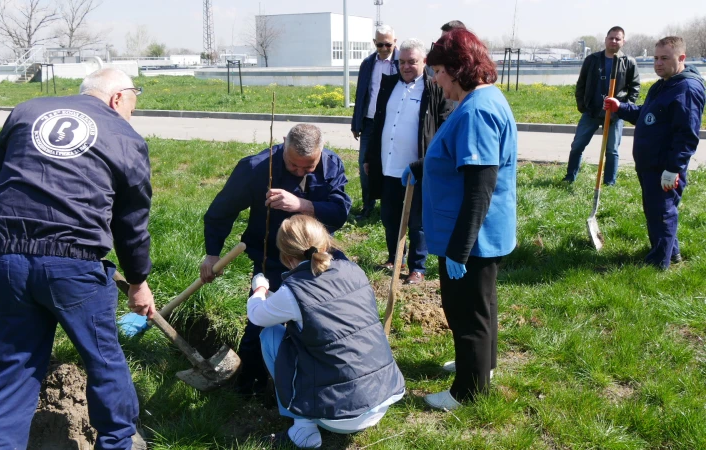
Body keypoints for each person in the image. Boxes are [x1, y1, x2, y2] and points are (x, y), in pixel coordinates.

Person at [0, 68, 155, 449]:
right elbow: (132, 223)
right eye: (134, 104)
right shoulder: (125, 136)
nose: (132, 115)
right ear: (118, 97)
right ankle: (119, 442)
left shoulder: (26, 110)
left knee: (6, 376)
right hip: (75, 264)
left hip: (7, 259)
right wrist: (139, 281)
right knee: (104, 362)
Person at [408, 29, 517, 410]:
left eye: (437, 71)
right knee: (481, 305)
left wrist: (459, 249)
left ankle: (468, 392)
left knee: (466, 309)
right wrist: (421, 167)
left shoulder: (477, 110)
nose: (434, 80)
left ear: (458, 69)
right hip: (477, 233)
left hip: (471, 236)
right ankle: (480, 366)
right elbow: (460, 157)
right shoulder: (481, 101)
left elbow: (480, 184)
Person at [200, 124, 352, 398]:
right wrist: (213, 253)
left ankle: (316, 380)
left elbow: (340, 212)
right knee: (261, 324)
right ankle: (252, 385)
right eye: (293, 165)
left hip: (318, 259)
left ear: (320, 151)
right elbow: (220, 211)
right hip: (271, 257)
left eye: (308, 168)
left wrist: (302, 205)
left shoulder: (331, 165)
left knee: (317, 323)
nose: (299, 172)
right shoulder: (256, 169)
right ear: (283, 144)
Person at [249, 215, 405, 449]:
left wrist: (260, 288)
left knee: (270, 334)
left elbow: (257, 315)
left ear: (287, 257)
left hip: (340, 417)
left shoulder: (294, 290)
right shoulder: (353, 269)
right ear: (325, 242)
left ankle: (303, 428)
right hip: (383, 397)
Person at [604, 36, 705, 269]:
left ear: (681, 58)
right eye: (655, 58)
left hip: (664, 166)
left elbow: (687, 135)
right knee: (656, 210)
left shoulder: (686, 88)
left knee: (662, 212)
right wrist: (621, 108)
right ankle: (672, 253)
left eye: (664, 58)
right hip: (650, 164)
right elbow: (647, 115)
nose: (658, 63)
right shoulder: (664, 84)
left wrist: (673, 169)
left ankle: (659, 263)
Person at [365, 38, 453, 285]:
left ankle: (418, 268)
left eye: (411, 61)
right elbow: (378, 123)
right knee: (390, 216)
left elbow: (444, 127)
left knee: (417, 221)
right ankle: (396, 258)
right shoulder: (388, 84)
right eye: (401, 61)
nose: (405, 66)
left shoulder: (433, 88)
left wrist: (430, 162)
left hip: (417, 169)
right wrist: (371, 157)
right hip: (388, 166)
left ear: (423, 61)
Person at [563, 26, 640, 186]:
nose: (614, 41)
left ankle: (609, 183)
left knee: (612, 151)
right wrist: (583, 106)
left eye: (617, 38)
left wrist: (625, 109)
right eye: (611, 38)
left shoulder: (629, 62)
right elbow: (581, 84)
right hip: (591, 112)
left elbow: (634, 88)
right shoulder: (592, 60)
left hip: (615, 114)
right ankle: (570, 177)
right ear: (606, 39)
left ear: (623, 41)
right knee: (577, 146)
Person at [351, 24, 399, 220]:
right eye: (380, 44)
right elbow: (361, 93)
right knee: (365, 165)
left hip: (392, 121)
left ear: (395, 42)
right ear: (374, 43)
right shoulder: (368, 63)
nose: (384, 48)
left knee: (390, 164)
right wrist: (356, 122)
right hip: (370, 123)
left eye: (388, 44)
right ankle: (368, 205)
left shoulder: (401, 63)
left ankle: (391, 205)